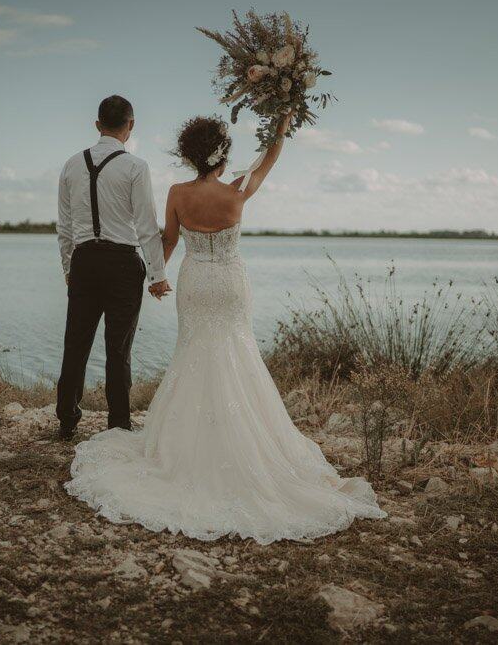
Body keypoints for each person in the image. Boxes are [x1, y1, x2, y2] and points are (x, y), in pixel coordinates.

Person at [65, 113, 386, 544]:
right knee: (238, 352)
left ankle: (184, 446)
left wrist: (154, 276)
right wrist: (282, 121)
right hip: (232, 285)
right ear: (222, 155)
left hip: (195, 283)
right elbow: (270, 158)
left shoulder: (178, 193)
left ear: (187, 153)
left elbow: (169, 242)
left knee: (194, 352)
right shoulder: (237, 191)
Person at [55, 95, 172, 440]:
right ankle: (119, 423)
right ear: (131, 125)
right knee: (118, 347)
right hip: (122, 262)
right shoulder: (136, 167)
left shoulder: (70, 165)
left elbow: (64, 228)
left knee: (75, 343)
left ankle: (66, 420)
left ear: (97, 125)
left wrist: (68, 269)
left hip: (84, 261)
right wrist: (158, 276)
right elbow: (147, 226)